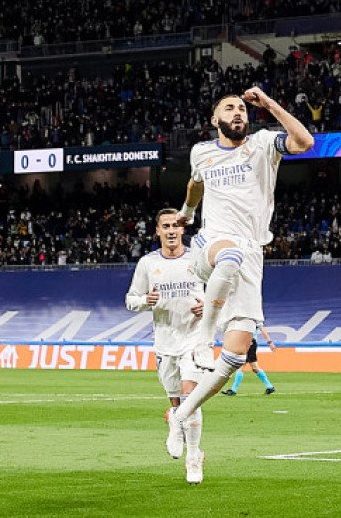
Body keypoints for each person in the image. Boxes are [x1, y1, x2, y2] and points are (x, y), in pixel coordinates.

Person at [166, 86, 313, 460]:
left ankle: (181, 415)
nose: (237, 112)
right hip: (212, 244)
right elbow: (195, 183)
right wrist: (186, 212)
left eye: (241, 109)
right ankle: (203, 337)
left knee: (231, 361)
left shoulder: (264, 144)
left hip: (252, 254)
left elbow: (305, 141)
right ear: (215, 120)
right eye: (228, 108)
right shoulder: (202, 151)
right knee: (227, 257)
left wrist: (270, 105)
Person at [125, 208, 207, 483]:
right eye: (166, 226)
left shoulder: (197, 259)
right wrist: (144, 301)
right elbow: (130, 299)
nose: (171, 230)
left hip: (195, 339)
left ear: (183, 229)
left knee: (190, 398)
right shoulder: (148, 264)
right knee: (176, 399)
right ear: (157, 231)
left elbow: (221, 292)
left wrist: (206, 308)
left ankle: (193, 457)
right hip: (164, 342)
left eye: (176, 225)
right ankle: (175, 418)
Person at [221, 325, 276, 395]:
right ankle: (270, 386)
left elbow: (262, 329)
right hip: (246, 342)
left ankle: (233, 390)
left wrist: (269, 342)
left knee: (242, 365)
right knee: (254, 367)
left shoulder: (255, 318)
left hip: (250, 343)